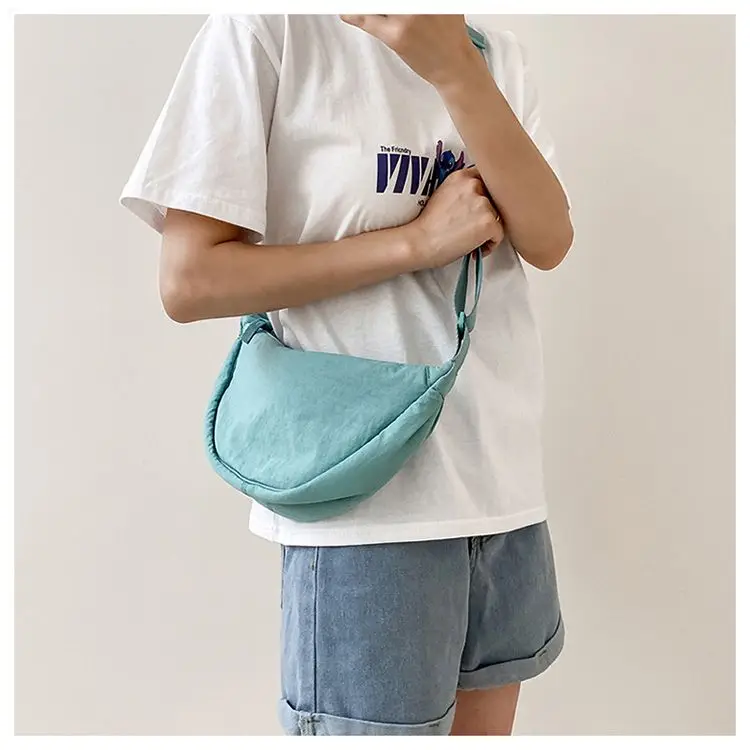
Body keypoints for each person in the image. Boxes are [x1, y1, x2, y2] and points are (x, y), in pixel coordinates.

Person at [120, 13, 574, 736]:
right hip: (364, 504)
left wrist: (454, 68)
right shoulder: (270, 31)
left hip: (501, 492)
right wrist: (416, 242)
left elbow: (548, 239)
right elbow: (191, 280)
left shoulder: (496, 55)